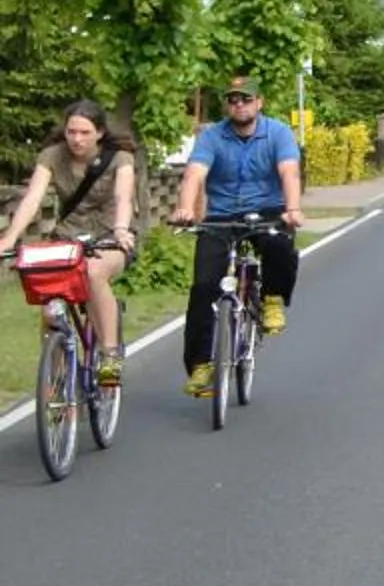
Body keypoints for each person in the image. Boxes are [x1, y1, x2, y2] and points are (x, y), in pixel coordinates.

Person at [169, 74, 305, 400]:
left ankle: (272, 299)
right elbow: (194, 174)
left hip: (268, 209)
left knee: (280, 245)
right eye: (233, 100)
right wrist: (186, 209)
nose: (239, 105)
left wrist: (293, 208)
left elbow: (289, 171)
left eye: (246, 99)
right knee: (203, 286)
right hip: (223, 216)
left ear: (259, 103)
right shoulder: (213, 136)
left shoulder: (278, 133)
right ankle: (201, 365)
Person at [1, 100, 139, 388]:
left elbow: (123, 197)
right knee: (47, 288)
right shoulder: (52, 155)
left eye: (85, 132)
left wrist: (121, 229)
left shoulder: (119, 158)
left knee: (92, 272)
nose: (77, 139)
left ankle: (110, 353)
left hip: (110, 236)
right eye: (72, 131)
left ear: (99, 133)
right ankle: (58, 377)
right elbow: (33, 198)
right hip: (68, 236)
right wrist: (10, 238)